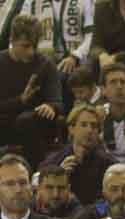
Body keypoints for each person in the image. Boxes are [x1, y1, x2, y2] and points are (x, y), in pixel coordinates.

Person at [0, 15, 62, 170]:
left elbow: (58, 101)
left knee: (25, 121)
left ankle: (38, 172)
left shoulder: (45, 64)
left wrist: (51, 106)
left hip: (35, 121)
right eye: (25, 46)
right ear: (12, 40)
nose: (31, 52)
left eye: (34, 46)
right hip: (6, 119)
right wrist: (20, 101)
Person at [40, 104, 117, 206]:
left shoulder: (109, 165)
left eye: (94, 126)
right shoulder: (52, 163)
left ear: (99, 132)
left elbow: (109, 202)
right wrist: (59, 176)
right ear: (71, 128)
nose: (89, 130)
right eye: (84, 125)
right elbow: (42, 201)